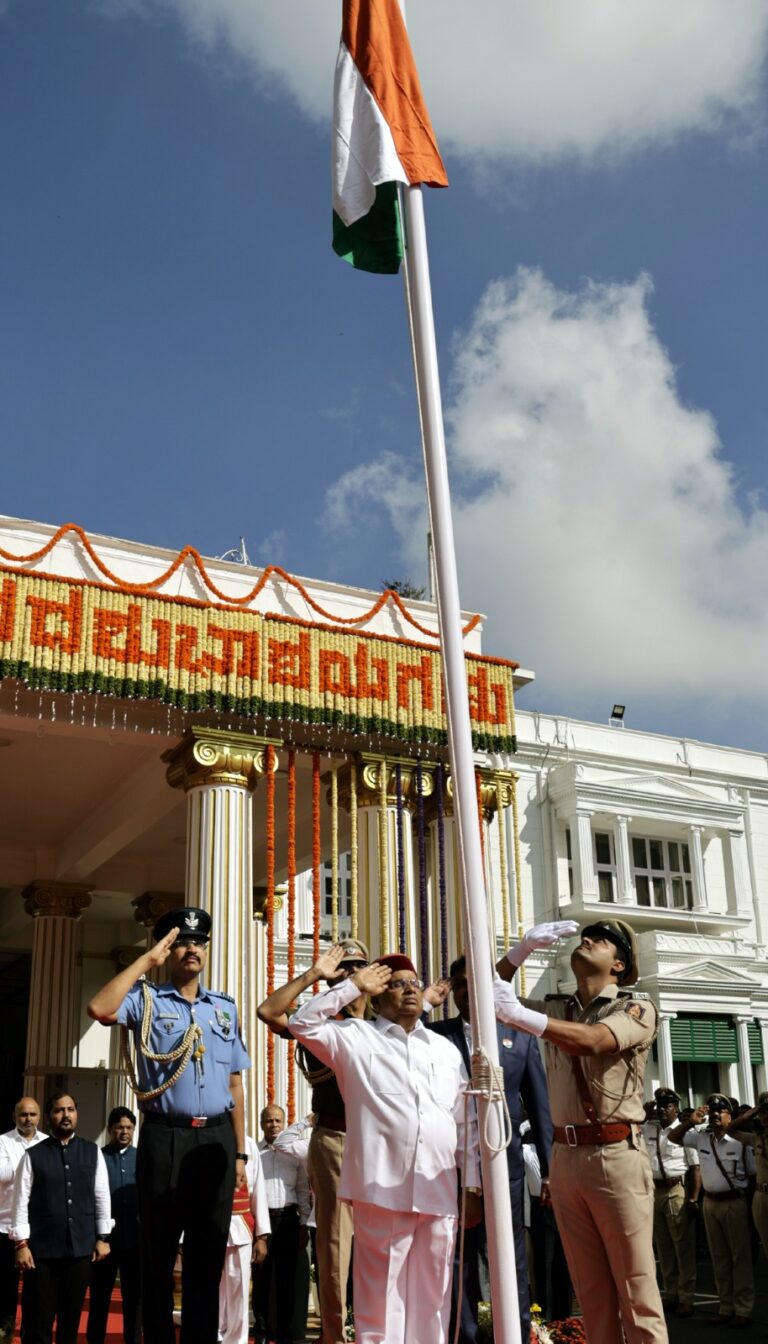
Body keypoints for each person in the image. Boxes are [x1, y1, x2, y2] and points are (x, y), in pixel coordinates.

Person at [289, 949, 481, 1344]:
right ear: (377, 996)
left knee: (434, 1299)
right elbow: (301, 1023)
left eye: (414, 983)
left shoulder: (444, 1050)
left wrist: (472, 1185)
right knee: (381, 1302)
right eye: (397, 984)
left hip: (439, 1188)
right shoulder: (355, 1039)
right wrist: (351, 986)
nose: (410, 990)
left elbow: (465, 1124)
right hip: (382, 1189)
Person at [494, 918, 667, 1344]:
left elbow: (592, 1040)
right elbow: (486, 994)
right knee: (590, 1295)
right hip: (566, 1158)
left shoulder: (636, 1007)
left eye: (604, 940)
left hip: (616, 1156)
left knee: (636, 1289)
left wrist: (520, 1015)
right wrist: (519, 953)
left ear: (620, 965)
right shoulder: (557, 1007)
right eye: (588, 935)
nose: (589, 939)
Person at [87, 905, 251, 1344]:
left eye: (198, 942)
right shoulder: (146, 999)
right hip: (165, 1136)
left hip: (215, 1139)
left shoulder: (224, 1010)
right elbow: (100, 1007)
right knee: (157, 1255)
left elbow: (235, 1085)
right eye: (180, 942)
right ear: (166, 949)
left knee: (208, 1255)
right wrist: (145, 961)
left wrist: (239, 1153)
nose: (191, 949)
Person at [427, 953, 554, 1342]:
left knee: (510, 1256)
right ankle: (462, 1336)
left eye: (474, 983)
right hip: (449, 1167)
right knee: (457, 1255)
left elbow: (540, 1106)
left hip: (506, 1163)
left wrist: (549, 1171)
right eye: (460, 985)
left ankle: (514, 1332)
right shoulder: (434, 1035)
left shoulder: (519, 1036)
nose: (467, 992)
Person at [257, 940, 370, 1344]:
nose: (349, 974)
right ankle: (335, 1335)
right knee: (335, 1243)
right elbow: (269, 1012)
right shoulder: (317, 1024)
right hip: (336, 1138)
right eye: (342, 968)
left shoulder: (381, 1024)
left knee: (385, 1238)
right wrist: (314, 974)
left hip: (380, 1141)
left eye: (357, 967)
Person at [11, 1093, 111, 1344]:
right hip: (42, 1253)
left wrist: (103, 1238)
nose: (66, 1115)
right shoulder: (33, 1155)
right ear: (49, 1116)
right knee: (39, 1321)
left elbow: (101, 1196)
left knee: (71, 1319)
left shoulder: (92, 1152)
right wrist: (22, 1244)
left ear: (77, 1113)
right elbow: (20, 1202)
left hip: (80, 1251)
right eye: (59, 1110)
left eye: (70, 1110)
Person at [668, 1094, 755, 1327]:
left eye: (721, 1111)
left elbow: (753, 1174)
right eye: (712, 1112)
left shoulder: (741, 1141)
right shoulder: (702, 1138)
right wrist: (690, 1121)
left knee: (740, 1257)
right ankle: (725, 1307)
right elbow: (673, 1137)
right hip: (710, 1203)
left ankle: (743, 1309)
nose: (716, 1115)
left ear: (730, 1116)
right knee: (720, 1258)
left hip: (733, 1202)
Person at [253, 1104, 311, 1344]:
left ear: (284, 1122)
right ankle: (263, 1333)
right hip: (262, 1221)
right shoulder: (254, 1153)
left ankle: (288, 1335)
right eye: (269, 1121)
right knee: (262, 1280)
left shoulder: (294, 1153)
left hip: (288, 1220)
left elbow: (302, 1190)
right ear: (261, 1124)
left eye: (278, 1121)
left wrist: (304, 1224)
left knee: (289, 1281)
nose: (273, 1125)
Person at [641, 1088, 700, 1319]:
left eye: (668, 1106)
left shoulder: (683, 1130)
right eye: (660, 1106)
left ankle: (686, 1297)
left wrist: (693, 1197)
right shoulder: (649, 1128)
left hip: (676, 1188)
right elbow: (631, 1134)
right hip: (654, 1190)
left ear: (676, 1108)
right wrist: (645, 1115)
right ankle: (671, 1293)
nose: (663, 1110)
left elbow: (695, 1167)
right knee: (663, 1246)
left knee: (682, 1245)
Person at [86, 1107, 141, 1344]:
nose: (124, 1132)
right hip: (106, 1242)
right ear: (110, 1129)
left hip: (136, 1240)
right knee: (100, 1297)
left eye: (129, 1127)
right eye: (119, 1127)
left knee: (134, 1300)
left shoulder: (142, 1157)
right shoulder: (97, 1157)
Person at [0, 1097, 44, 1344]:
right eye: (23, 1114)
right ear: (14, 1116)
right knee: (5, 1290)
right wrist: (32, 1165)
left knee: (36, 1291)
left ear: (39, 1117)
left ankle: (30, 1336)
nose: (28, 1119)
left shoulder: (48, 1142)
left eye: (33, 1114)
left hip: (36, 1228)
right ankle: (4, 1336)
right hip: (4, 1227)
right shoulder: (3, 1141)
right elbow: (2, 1173)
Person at [218, 1133, 269, 1344]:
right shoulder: (203, 1135)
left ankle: (236, 1340)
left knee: (239, 1288)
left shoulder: (248, 1144)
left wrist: (262, 1236)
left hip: (241, 1226)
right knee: (210, 1287)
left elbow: (258, 1188)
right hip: (209, 1225)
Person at [730, 1090, 768, 1260]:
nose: (766, 1116)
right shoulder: (757, 1138)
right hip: (761, 1195)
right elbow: (730, 1130)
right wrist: (749, 1114)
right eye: (763, 1112)